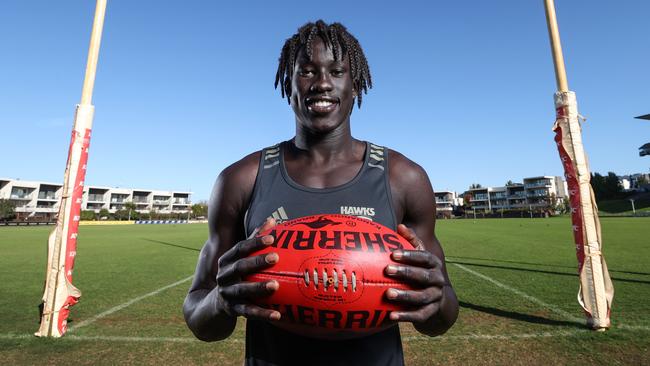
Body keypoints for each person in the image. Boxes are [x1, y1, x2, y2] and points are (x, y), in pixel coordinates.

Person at [183, 20, 459, 366]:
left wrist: (436, 301)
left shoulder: (403, 178)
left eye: (337, 71)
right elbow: (200, 317)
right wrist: (220, 302)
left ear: (355, 84)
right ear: (288, 82)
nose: (323, 83)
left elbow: (441, 317)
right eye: (307, 72)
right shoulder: (241, 179)